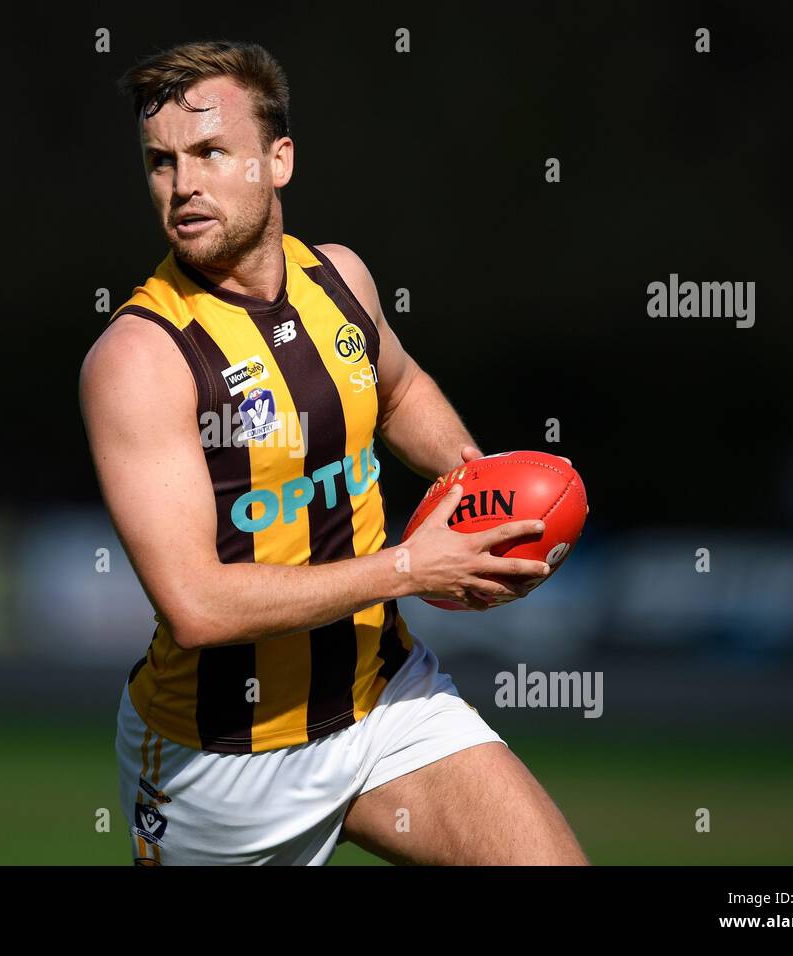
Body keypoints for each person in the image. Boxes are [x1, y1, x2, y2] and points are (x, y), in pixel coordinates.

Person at [79, 39, 587, 865]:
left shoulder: (340, 280)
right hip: (220, 767)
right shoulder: (140, 359)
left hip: (384, 697)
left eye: (211, 152)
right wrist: (412, 569)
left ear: (278, 160)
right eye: (161, 162)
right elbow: (197, 605)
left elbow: (399, 387)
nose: (183, 185)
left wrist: (474, 480)